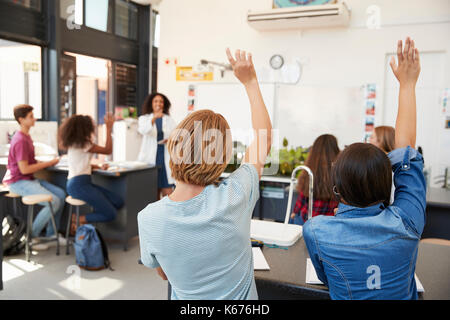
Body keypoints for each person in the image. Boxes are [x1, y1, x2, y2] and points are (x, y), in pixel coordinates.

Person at [138, 48, 272, 300]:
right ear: (222, 160)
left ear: (174, 146)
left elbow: (164, 274)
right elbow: (263, 138)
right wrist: (251, 82)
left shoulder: (149, 219)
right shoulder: (237, 194)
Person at [303, 37, 425, 300]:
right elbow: (407, 154)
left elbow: (325, 277)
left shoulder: (317, 230)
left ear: (337, 189)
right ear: (388, 182)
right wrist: (407, 85)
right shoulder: (406, 222)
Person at [3, 104, 66, 250]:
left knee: (61, 195)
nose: (35, 118)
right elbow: (24, 169)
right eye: (31, 116)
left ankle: (51, 235)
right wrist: (49, 163)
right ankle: (30, 239)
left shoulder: (27, 137)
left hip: (27, 179)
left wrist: (46, 162)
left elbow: (29, 163)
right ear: (21, 119)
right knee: (54, 201)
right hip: (17, 181)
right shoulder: (20, 140)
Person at [58, 113, 124, 233]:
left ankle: (85, 223)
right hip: (79, 185)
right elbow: (107, 150)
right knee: (111, 214)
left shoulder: (74, 144)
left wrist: (97, 166)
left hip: (80, 183)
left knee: (117, 201)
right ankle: (78, 219)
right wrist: (109, 128)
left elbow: (81, 163)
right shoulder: (84, 144)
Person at [290, 134, 340, 225]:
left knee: (293, 219)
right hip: (330, 223)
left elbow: (302, 198)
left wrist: (294, 212)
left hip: (308, 222)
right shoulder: (340, 172)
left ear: (314, 151)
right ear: (336, 150)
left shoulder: (309, 171)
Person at [137, 93, 177, 200]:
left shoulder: (169, 120)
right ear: (151, 103)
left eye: (161, 101)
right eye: (156, 101)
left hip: (164, 160)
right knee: (152, 195)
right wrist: (153, 118)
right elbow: (144, 130)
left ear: (164, 104)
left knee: (169, 195)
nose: (158, 103)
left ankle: (167, 216)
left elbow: (176, 136)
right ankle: (155, 216)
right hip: (150, 160)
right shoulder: (144, 118)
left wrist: (170, 140)